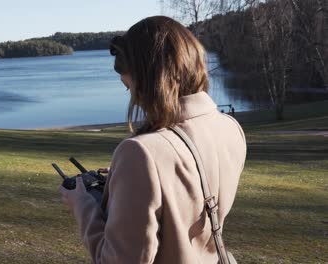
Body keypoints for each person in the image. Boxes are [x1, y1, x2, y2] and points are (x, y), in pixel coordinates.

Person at [59, 16, 246, 264]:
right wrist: (127, 182)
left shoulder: (140, 153)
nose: (135, 99)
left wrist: (83, 205)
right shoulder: (231, 128)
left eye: (130, 88)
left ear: (150, 81)